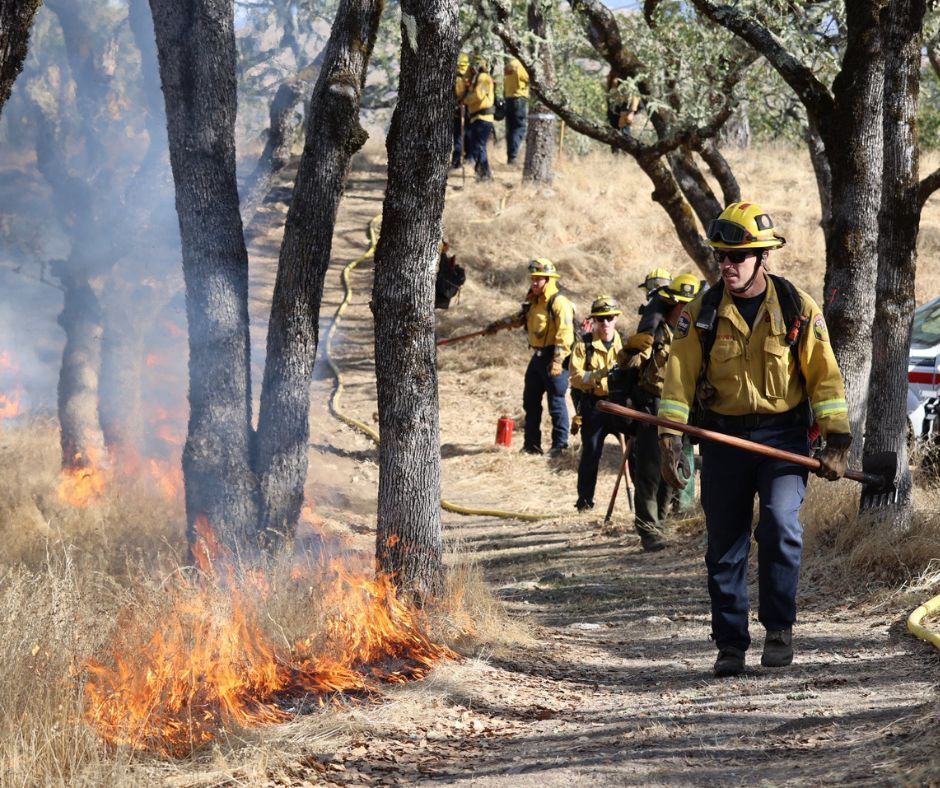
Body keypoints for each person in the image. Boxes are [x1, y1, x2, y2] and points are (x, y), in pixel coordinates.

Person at [657, 201, 851, 678]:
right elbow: (677, 379)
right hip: (721, 437)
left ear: (762, 257)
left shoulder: (796, 307)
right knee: (725, 544)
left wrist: (837, 441)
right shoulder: (699, 313)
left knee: (781, 527)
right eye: (721, 255)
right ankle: (729, 644)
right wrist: (669, 441)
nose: (726, 264)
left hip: (783, 438)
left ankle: (779, 630)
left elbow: (824, 377)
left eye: (736, 256)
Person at [616, 274, 701, 551]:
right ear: (673, 304)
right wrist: (630, 347)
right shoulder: (656, 333)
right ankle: (649, 531)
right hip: (653, 410)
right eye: (683, 304)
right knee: (650, 474)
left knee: (671, 472)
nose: (687, 309)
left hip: (682, 411)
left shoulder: (693, 332)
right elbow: (628, 362)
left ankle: (661, 524)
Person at [485, 258, 575, 456]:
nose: (534, 283)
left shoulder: (559, 303)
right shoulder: (533, 303)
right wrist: (497, 325)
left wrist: (558, 361)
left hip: (554, 357)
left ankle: (560, 447)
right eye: (533, 279)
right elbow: (519, 319)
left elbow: (565, 334)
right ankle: (531, 446)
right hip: (537, 358)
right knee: (531, 402)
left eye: (539, 279)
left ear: (548, 280)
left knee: (556, 403)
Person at [568, 296, 626, 512]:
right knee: (591, 454)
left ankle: (641, 509)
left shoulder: (626, 344)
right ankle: (584, 502)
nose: (605, 324)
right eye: (600, 319)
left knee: (635, 454)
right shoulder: (583, 345)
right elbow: (575, 377)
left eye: (610, 318)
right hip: (594, 406)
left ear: (616, 319)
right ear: (594, 321)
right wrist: (600, 375)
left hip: (620, 406)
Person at [463, 54, 495, 181]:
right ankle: (481, 173)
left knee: (479, 146)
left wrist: (465, 100)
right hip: (477, 117)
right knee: (478, 146)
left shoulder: (484, 78)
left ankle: (485, 175)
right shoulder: (477, 78)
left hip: (483, 118)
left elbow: (478, 95)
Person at [606, 70, 641, 151]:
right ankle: (616, 154)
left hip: (626, 105)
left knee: (625, 130)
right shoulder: (612, 75)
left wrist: (632, 111)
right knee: (614, 131)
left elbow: (635, 95)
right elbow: (609, 93)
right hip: (614, 107)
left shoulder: (628, 75)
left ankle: (627, 152)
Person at [503, 57, 529, 164]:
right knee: (519, 128)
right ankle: (513, 156)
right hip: (518, 99)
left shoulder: (508, 66)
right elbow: (530, 78)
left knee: (510, 129)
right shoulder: (520, 65)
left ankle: (510, 156)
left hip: (508, 99)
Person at [452, 53, 472, 169]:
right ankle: (465, 159)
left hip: (461, 111)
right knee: (465, 137)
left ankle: (457, 161)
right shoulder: (468, 76)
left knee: (459, 138)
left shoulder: (458, 78)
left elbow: (459, 95)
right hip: (466, 111)